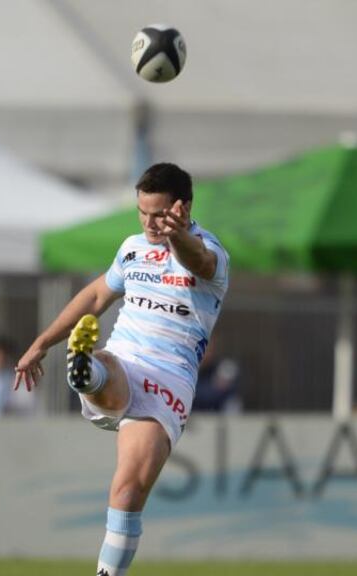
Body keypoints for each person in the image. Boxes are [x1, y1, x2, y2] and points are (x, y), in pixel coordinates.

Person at [15, 163, 229, 576]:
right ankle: (86, 368)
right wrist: (41, 344)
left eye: (158, 213)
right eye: (141, 212)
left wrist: (177, 235)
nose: (148, 222)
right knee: (110, 366)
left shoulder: (211, 252)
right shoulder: (132, 248)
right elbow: (96, 296)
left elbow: (197, 261)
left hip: (170, 378)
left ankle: (108, 574)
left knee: (127, 490)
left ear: (181, 208)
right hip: (126, 358)